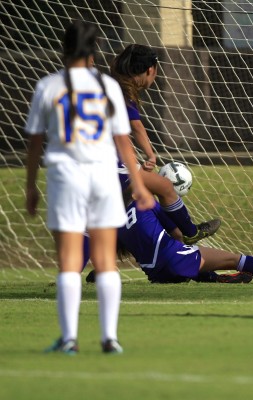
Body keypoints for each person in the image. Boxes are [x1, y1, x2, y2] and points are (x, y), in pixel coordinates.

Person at [24, 20, 155, 354]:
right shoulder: (108, 87)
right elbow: (123, 142)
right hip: (103, 177)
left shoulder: (49, 86)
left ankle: (69, 339)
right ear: (94, 51)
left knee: (69, 260)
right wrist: (138, 183)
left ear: (65, 49)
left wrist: (31, 187)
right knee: (104, 259)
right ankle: (109, 338)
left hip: (66, 177)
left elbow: (35, 144)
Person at [110, 43, 219, 244]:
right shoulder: (123, 92)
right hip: (108, 165)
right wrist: (150, 155)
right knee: (165, 187)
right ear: (151, 69)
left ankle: (179, 238)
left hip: (101, 162)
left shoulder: (115, 86)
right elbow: (137, 127)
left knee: (149, 203)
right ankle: (191, 232)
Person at [116, 193, 253, 285]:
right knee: (235, 259)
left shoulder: (116, 219)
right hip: (174, 259)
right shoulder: (146, 200)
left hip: (156, 275)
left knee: (194, 261)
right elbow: (177, 233)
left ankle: (217, 279)